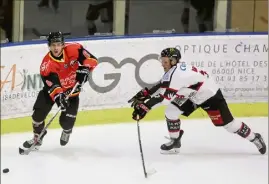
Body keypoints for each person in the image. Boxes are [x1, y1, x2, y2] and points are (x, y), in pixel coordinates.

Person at [128, 47, 266, 155]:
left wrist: (144, 107)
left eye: (165, 61)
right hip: (192, 95)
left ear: (173, 61)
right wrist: (144, 94)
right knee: (171, 112)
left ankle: (255, 138)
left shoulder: (178, 75)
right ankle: (175, 141)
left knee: (230, 125)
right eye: (162, 61)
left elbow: (164, 98)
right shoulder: (173, 70)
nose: (162, 64)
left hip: (210, 97)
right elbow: (162, 84)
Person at [21, 31, 98, 151]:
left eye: (58, 44)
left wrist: (85, 69)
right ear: (49, 46)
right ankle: (38, 137)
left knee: (66, 123)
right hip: (52, 93)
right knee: (37, 115)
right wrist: (59, 96)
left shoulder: (74, 49)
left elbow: (92, 59)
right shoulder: (46, 64)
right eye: (53, 45)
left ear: (63, 44)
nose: (56, 47)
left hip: (72, 92)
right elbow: (52, 84)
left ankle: (67, 130)